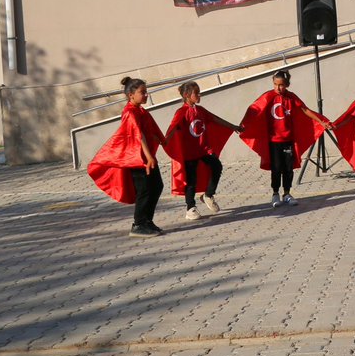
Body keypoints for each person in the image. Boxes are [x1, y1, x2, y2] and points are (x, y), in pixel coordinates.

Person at [87, 77, 166, 237]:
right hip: (136, 159)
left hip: (146, 157)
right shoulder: (129, 112)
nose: (146, 95)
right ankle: (138, 225)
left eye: (146, 91)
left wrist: (164, 140)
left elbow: (150, 131)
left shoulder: (141, 111)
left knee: (157, 186)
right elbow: (139, 135)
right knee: (144, 190)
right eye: (142, 92)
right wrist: (149, 157)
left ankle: (147, 221)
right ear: (131, 95)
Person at [239, 70, 330, 208]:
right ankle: (275, 193)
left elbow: (305, 110)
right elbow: (254, 109)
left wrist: (321, 121)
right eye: (275, 84)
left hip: (288, 140)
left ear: (286, 84)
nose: (278, 88)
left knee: (288, 168)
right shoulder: (268, 96)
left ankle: (287, 193)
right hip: (274, 141)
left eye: (281, 85)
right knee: (276, 168)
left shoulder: (291, 97)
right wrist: (243, 125)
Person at [163, 80, 240, 220]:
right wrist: (165, 140)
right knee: (191, 181)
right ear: (187, 95)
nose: (199, 95)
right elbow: (173, 127)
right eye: (196, 93)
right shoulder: (181, 112)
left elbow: (215, 119)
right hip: (189, 153)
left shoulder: (200, 110)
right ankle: (190, 208)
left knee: (216, 166)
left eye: (199, 92)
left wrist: (233, 126)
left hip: (203, 150)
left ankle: (208, 194)